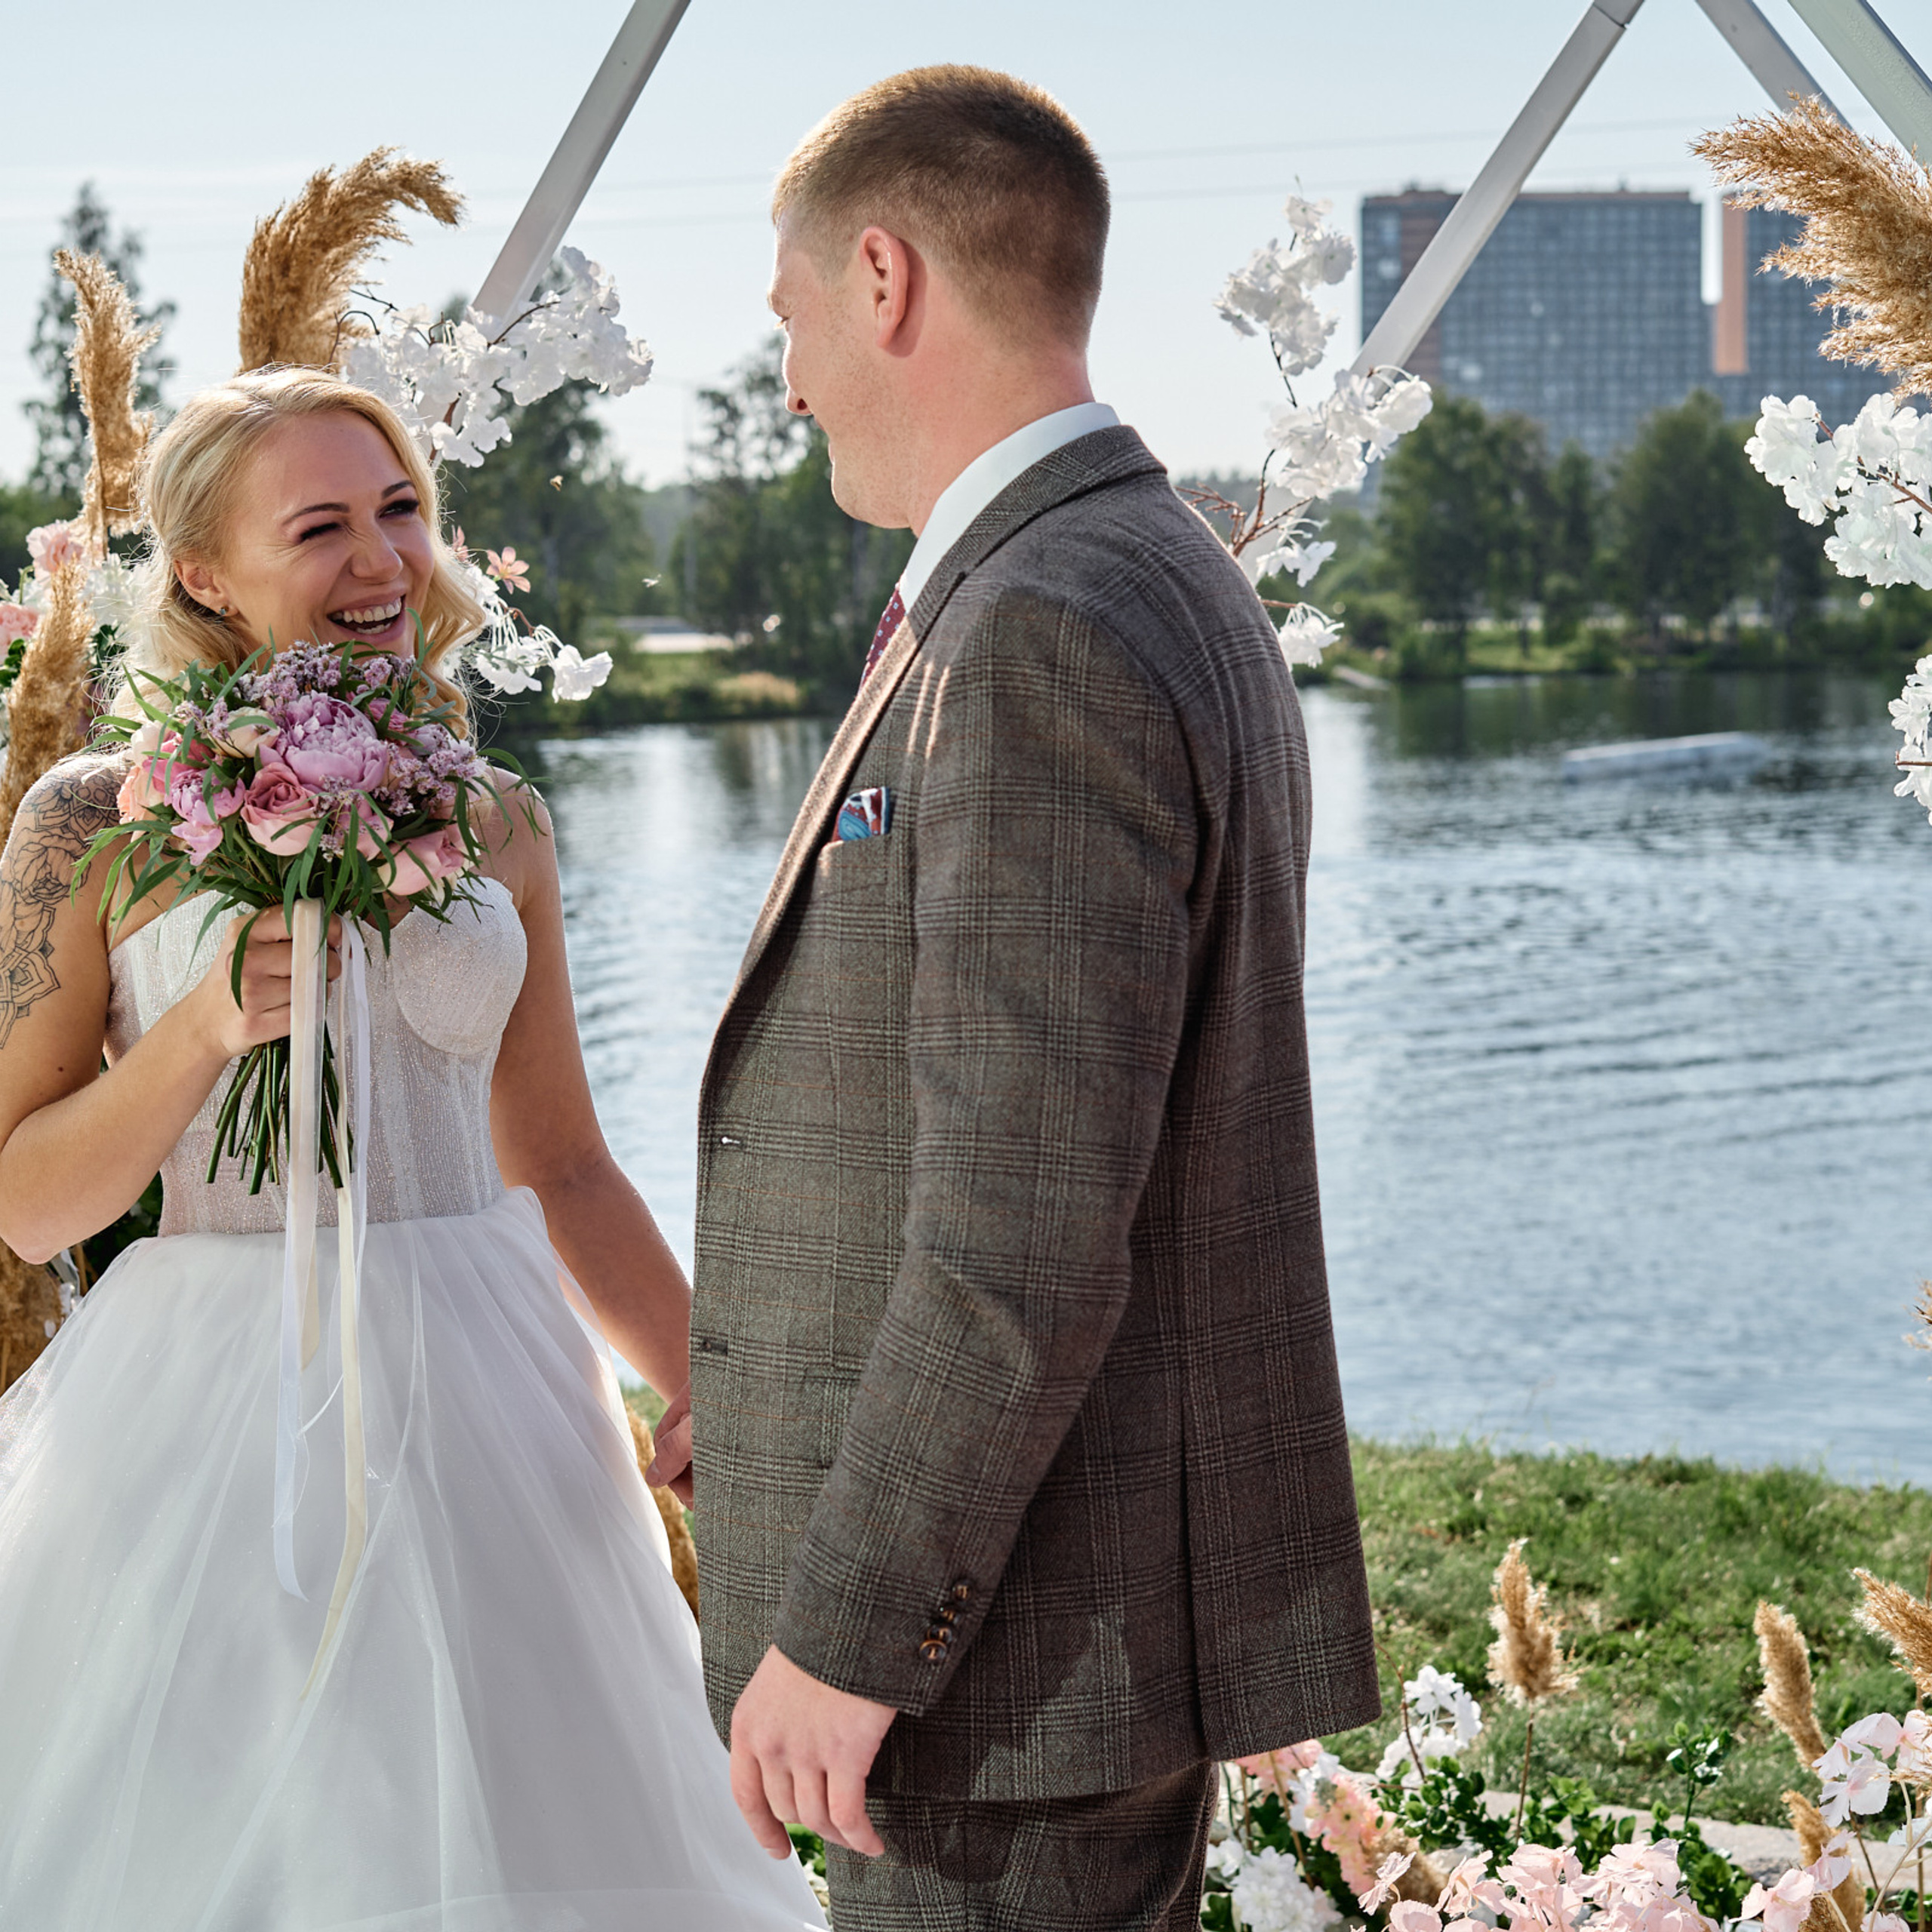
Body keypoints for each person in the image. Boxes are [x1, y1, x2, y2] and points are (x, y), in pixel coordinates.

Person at [646, 63, 1379, 1932]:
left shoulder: (1042, 621)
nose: (788, 378)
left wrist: (851, 1630)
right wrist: (783, 1377)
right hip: (1057, 1621)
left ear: (882, 278)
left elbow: (1024, 1230)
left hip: (1000, 1684)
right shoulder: (1131, 569)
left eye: (790, 315)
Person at [0, 367, 824, 1930]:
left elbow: (561, 1164)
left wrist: (712, 1386)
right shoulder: (90, 819)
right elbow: (28, 1204)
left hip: (492, 1398)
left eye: (400, 511)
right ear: (203, 571)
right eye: (319, 525)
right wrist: (198, 1031)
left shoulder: (497, 815)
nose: (382, 559)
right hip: (206, 1418)